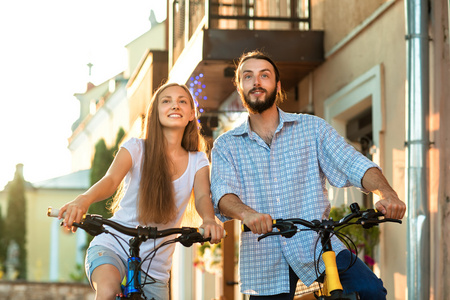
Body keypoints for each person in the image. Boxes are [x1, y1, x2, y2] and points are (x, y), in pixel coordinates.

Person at [210, 50, 406, 300]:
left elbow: (353, 163)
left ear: (277, 86)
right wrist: (249, 214)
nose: (256, 82)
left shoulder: (312, 128)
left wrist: (387, 194)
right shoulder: (226, 145)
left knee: (370, 290)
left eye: (264, 75)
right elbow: (223, 194)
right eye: (248, 77)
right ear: (240, 88)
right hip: (264, 256)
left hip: (317, 246)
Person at [58, 83, 225, 300]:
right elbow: (110, 181)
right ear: (155, 112)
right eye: (166, 101)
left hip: (156, 267)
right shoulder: (136, 148)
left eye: (182, 101)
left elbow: (203, 196)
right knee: (108, 291)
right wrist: (83, 200)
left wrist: (209, 220)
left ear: (192, 114)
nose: (175, 105)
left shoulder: (198, 160)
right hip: (113, 245)